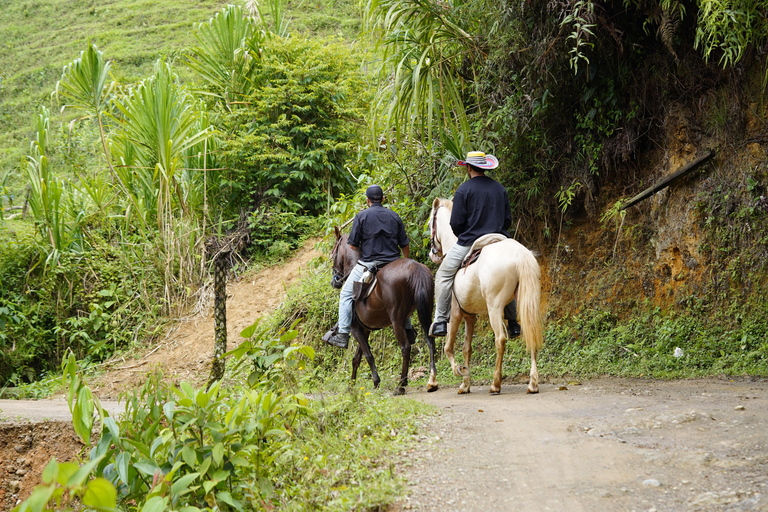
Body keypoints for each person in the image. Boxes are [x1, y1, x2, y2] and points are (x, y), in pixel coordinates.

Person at [429, 151, 521, 338]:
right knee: (510, 273)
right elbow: (507, 220)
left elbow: (455, 224)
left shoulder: (463, 190)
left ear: (469, 167)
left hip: (471, 241)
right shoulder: (500, 189)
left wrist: (465, 234)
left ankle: (440, 321)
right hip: (499, 239)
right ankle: (513, 323)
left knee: (443, 275)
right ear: (485, 167)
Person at [325, 185, 411, 349]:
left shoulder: (362, 216)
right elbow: (405, 245)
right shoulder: (394, 216)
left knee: (345, 294)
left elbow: (352, 246)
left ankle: (342, 334)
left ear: (367, 200)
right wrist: (404, 263)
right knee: (403, 292)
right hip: (394, 263)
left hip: (369, 264)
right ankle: (408, 327)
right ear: (383, 199)